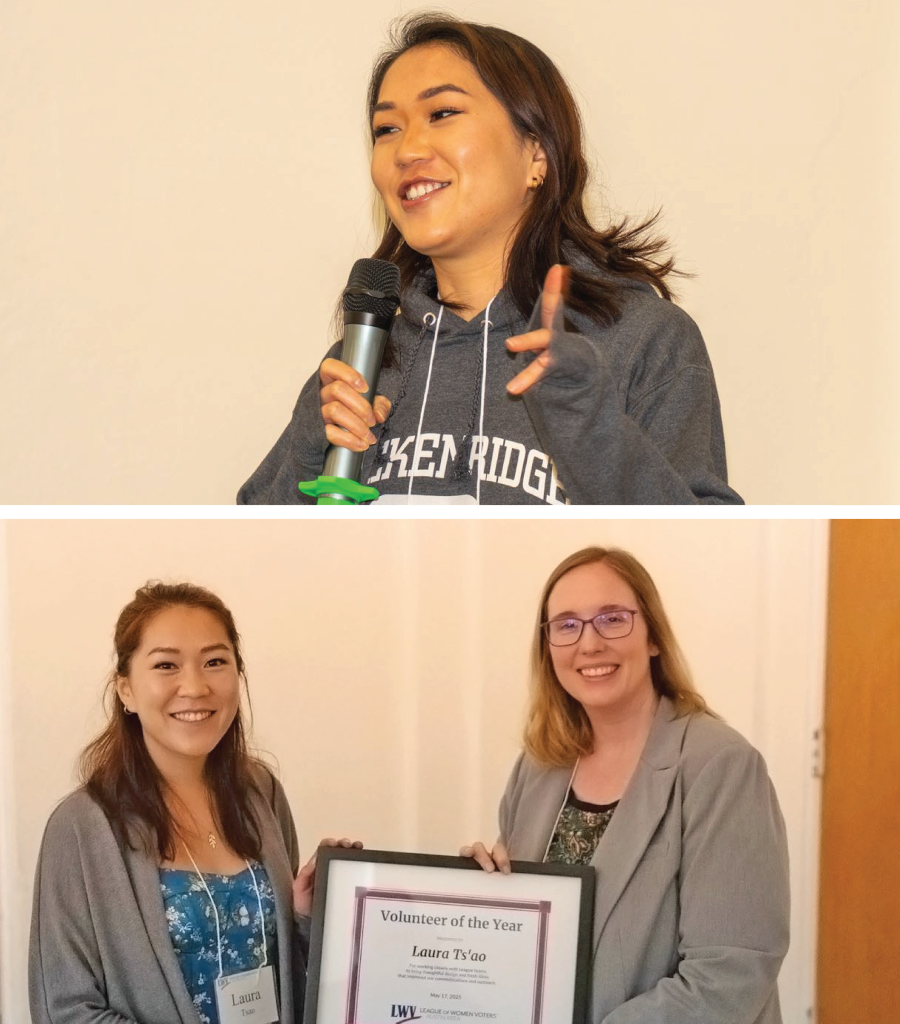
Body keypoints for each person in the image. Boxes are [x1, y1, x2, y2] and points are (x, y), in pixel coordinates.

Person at [239, 14, 742, 505]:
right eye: (386, 129)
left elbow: (705, 543)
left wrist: (590, 425)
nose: (407, 149)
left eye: (442, 114)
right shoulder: (358, 361)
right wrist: (309, 446)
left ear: (536, 153)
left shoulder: (643, 339)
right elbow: (259, 550)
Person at [463, 547, 788, 1023]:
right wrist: (480, 897)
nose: (589, 644)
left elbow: (729, 976)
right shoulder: (537, 767)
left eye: (612, 619)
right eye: (567, 625)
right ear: (548, 646)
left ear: (653, 636)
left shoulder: (721, 766)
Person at [28, 582, 356, 1024]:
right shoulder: (81, 827)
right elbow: (66, 1010)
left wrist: (306, 917)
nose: (195, 686)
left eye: (215, 662)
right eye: (166, 665)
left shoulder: (262, 793)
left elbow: (289, 976)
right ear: (126, 690)